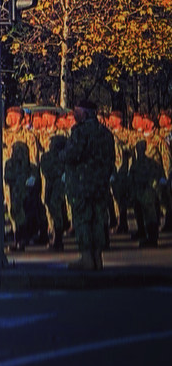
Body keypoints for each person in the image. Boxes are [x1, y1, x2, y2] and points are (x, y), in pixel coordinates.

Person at [64, 102, 115, 271]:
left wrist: (61, 153)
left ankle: (87, 257)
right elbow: (111, 159)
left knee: (83, 220)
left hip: (82, 184)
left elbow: (72, 154)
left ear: (85, 114)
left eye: (77, 112)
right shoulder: (106, 133)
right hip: (100, 184)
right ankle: (97, 258)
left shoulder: (80, 132)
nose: (74, 115)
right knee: (99, 220)